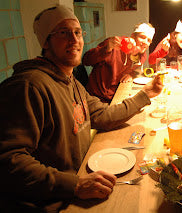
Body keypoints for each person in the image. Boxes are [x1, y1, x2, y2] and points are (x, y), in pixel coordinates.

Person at [0, 5, 163, 212]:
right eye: (63, 33)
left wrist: (145, 95)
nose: (74, 39)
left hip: (81, 185)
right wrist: (75, 184)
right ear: (46, 42)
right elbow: (8, 162)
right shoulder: (28, 86)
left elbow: (103, 115)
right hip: (53, 202)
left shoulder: (72, 82)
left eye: (77, 32)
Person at [83, 22, 155, 103]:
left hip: (115, 95)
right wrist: (106, 49)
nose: (145, 42)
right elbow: (85, 60)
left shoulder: (142, 56)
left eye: (149, 40)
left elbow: (135, 70)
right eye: (142, 37)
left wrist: (131, 75)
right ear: (132, 36)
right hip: (95, 98)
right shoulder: (115, 44)